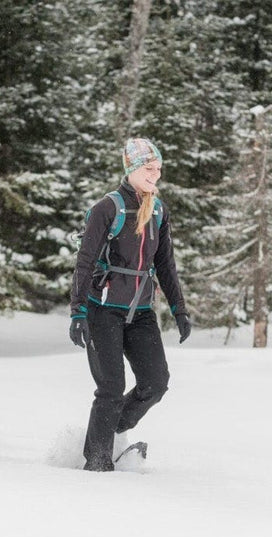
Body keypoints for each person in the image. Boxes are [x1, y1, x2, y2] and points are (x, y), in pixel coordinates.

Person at [68, 138, 191, 471]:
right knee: (111, 387)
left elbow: (166, 264)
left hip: (140, 312)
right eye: (149, 169)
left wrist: (180, 309)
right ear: (133, 169)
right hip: (102, 310)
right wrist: (78, 311)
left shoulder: (159, 210)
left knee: (156, 382)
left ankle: (108, 431)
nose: (156, 175)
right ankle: (97, 460)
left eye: (159, 169)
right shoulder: (106, 209)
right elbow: (84, 262)